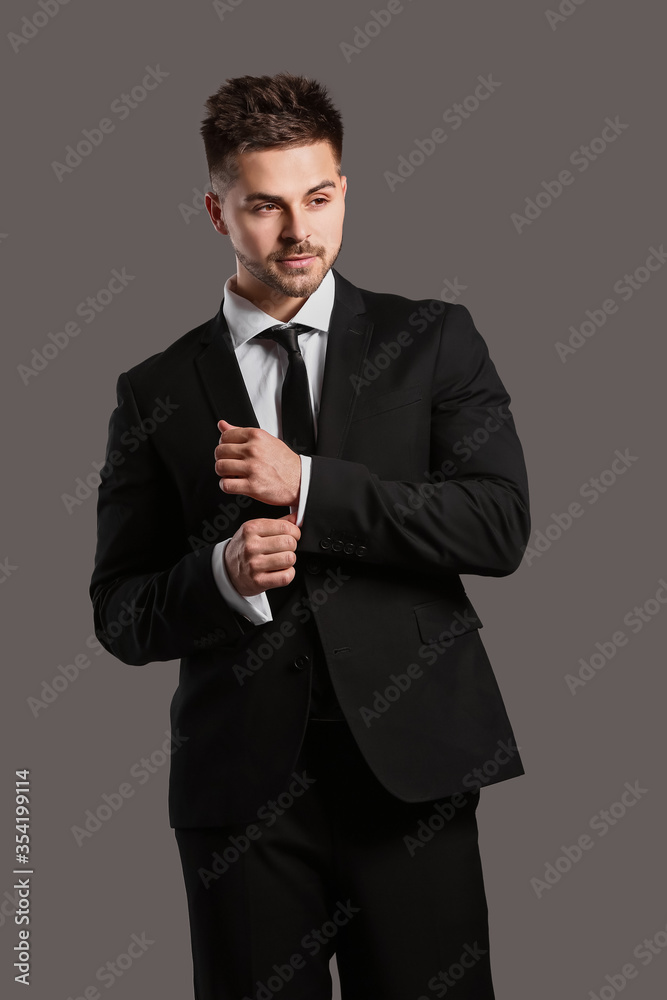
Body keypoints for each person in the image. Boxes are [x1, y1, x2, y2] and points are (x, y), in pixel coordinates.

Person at [89, 71, 530, 1000]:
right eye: (265, 206)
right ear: (216, 212)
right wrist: (217, 574)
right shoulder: (152, 389)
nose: (298, 232)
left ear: (344, 189)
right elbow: (120, 611)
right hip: (240, 805)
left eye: (319, 198)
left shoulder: (434, 340)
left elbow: (496, 524)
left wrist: (310, 488)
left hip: (412, 778)